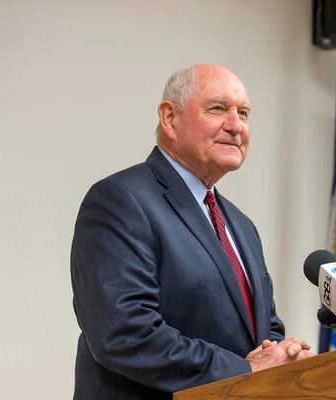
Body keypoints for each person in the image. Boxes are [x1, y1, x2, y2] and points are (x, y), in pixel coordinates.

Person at [70, 64, 313, 400]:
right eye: (218, 109)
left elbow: (263, 327)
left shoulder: (242, 226)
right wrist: (245, 371)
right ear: (170, 118)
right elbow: (125, 333)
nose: (236, 126)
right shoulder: (121, 200)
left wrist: (283, 356)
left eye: (243, 113)